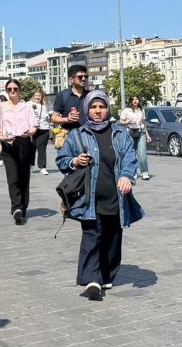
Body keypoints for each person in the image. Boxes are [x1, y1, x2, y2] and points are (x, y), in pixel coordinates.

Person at [56, 91, 145, 300]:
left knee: (113, 238)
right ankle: (90, 279)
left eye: (101, 107)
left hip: (115, 196)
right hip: (89, 197)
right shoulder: (78, 135)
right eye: (93, 107)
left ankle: (106, 274)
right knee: (91, 236)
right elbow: (61, 160)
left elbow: (130, 158)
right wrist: (75, 161)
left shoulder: (119, 133)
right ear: (87, 109)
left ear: (107, 109)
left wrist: (126, 176)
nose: (98, 111)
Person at [0, 80, 36, 225]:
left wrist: (29, 132)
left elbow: (34, 126)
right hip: (8, 144)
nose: (12, 91)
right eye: (9, 89)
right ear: (6, 90)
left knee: (24, 177)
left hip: (24, 142)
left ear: (20, 90)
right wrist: (1, 136)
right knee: (13, 177)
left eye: (15, 88)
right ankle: (16, 207)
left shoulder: (27, 106)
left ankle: (23, 206)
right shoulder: (1, 106)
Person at [118, 95, 151, 180]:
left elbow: (144, 122)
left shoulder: (141, 110)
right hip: (130, 131)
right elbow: (121, 121)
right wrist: (126, 121)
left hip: (141, 131)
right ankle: (134, 172)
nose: (135, 101)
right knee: (132, 153)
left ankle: (144, 172)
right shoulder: (126, 110)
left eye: (136, 99)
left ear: (139, 100)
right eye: (133, 99)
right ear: (131, 101)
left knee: (142, 152)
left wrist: (147, 135)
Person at [51, 65, 89, 134]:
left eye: (86, 77)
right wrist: (67, 119)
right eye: (80, 77)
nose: (83, 79)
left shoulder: (90, 95)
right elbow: (54, 118)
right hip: (69, 136)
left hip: (88, 135)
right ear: (71, 80)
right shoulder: (62, 95)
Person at [29, 90, 53, 175]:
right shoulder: (29, 104)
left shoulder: (45, 105)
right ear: (33, 96)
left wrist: (50, 129)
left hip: (44, 129)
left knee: (42, 149)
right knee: (32, 148)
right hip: (33, 130)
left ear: (42, 97)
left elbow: (49, 118)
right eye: (36, 95)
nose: (37, 97)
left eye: (39, 96)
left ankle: (42, 167)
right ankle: (30, 165)